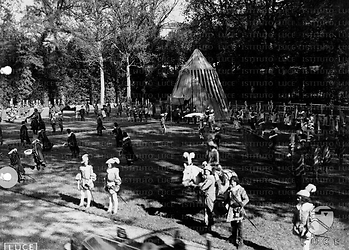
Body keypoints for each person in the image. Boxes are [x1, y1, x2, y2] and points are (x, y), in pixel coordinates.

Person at [224, 175, 249, 249]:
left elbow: (246, 199)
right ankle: (233, 238)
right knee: (233, 224)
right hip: (231, 210)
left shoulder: (241, 189)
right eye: (231, 182)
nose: (231, 184)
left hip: (238, 210)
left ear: (236, 182)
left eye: (232, 182)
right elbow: (226, 198)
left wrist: (240, 204)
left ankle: (241, 241)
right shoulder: (230, 189)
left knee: (239, 226)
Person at [292, 184, 317, 250]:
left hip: (305, 229)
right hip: (310, 228)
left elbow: (302, 218)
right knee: (306, 244)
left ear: (303, 198)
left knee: (304, 245)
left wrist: (300, 227)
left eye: (299, 197)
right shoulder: (309, 205)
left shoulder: (303, 207)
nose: (297, 199)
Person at [194, 164, 216, 232]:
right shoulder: (208, 178)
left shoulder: (210, 178)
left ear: (210, 171)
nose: (206, 172)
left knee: (210, 210)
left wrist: (198, 186)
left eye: (207, 170)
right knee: (207, 209)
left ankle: (211, 225)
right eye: (205, 170)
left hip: (210, 196)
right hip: (207, 196)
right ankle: (208, 225)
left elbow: (204, 187)